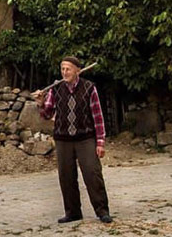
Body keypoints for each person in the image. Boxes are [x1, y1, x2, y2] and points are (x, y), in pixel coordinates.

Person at [34, 56, 113, 224]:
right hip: (63, 139)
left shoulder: (89, 88)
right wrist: (41, 103)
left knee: (92, 173)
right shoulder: (55, 89)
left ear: (77, 70)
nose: (64, 72)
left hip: (85, 138)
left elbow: (98, 117)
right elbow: (47, 114)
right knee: (66, 176)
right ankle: (73, 212)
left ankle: (102, 211)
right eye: (62, 69)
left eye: (68, 69)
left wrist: (100, 142)